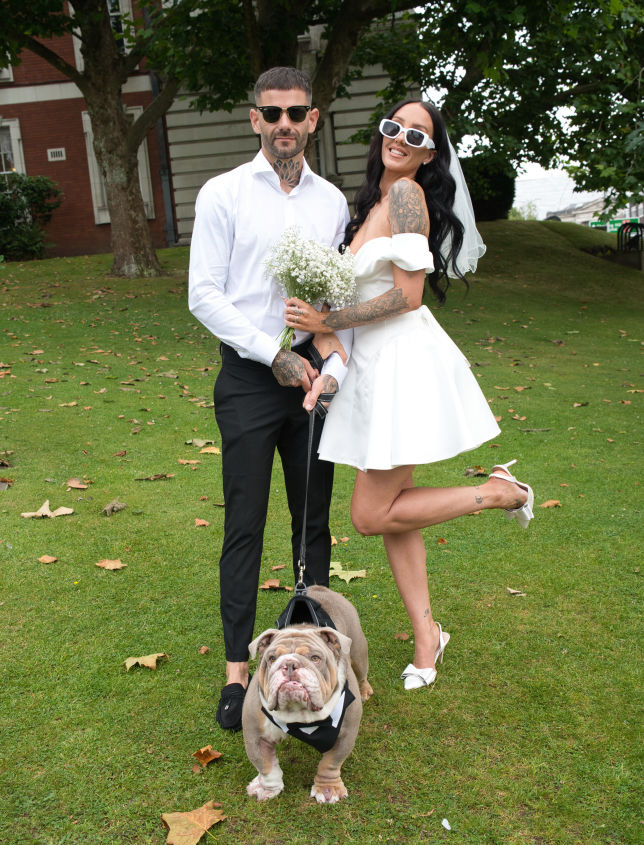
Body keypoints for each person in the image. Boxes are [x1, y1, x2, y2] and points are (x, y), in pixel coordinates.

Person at [283, 99, 534, 691]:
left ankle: (500, 492)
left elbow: (408, 296)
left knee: (370, 514)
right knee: (394, 512)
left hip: (403, 362)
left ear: (429, 153)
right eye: (393, 127)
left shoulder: (405, 196)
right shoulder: (373, 202)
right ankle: (428, 636)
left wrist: (327, 320)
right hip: (373, 367)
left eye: (416, 135)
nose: (400, 138)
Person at [188, 66, 351, 730]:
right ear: (254, 118)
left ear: (313, 119)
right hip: (250, 381)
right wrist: (270, 352)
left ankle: (317, 667)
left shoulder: (331, 202)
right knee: (245, 524)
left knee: (313, 521)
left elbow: (336, 300)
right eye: (273, 112)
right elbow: (203, 294)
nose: (285, 123)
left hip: (311, 383)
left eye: (297, 112)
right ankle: (237, 674)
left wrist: (330, 365)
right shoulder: (223, 193)